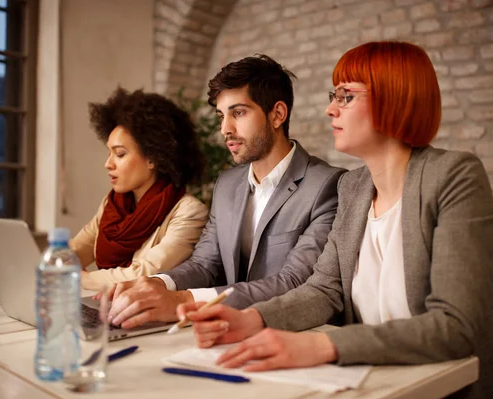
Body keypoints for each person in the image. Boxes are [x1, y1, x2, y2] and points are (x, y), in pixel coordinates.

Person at [179, 42, 493, 399]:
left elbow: (455, 326)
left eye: (345, 97)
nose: (330, 110)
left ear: (394, 99)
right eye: (332, 96)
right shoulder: (353, 186)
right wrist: (253, 319)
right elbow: (323, 290)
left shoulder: (454, 176)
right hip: (384, 384)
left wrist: (322, 345)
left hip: (466, 388)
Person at [104, 54, 345, 329]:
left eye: (238, 113)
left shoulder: (327, 185)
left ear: (278, 114)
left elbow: (293, 282)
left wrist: (182, 300)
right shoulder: (228, 184)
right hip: (227, 330)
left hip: (298, 335)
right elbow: (205, 264)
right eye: (221, 116)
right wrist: (156, 283)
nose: (225, 129)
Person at [0, 88, 209, 291]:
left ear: (154, 158)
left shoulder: (189, 212)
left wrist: (76, 277)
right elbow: (70, 254)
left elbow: (144, 273)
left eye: (120, 154)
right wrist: (9, 277)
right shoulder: (113, 206)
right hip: (107, 308)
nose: (108, 163)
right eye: (109, 153)